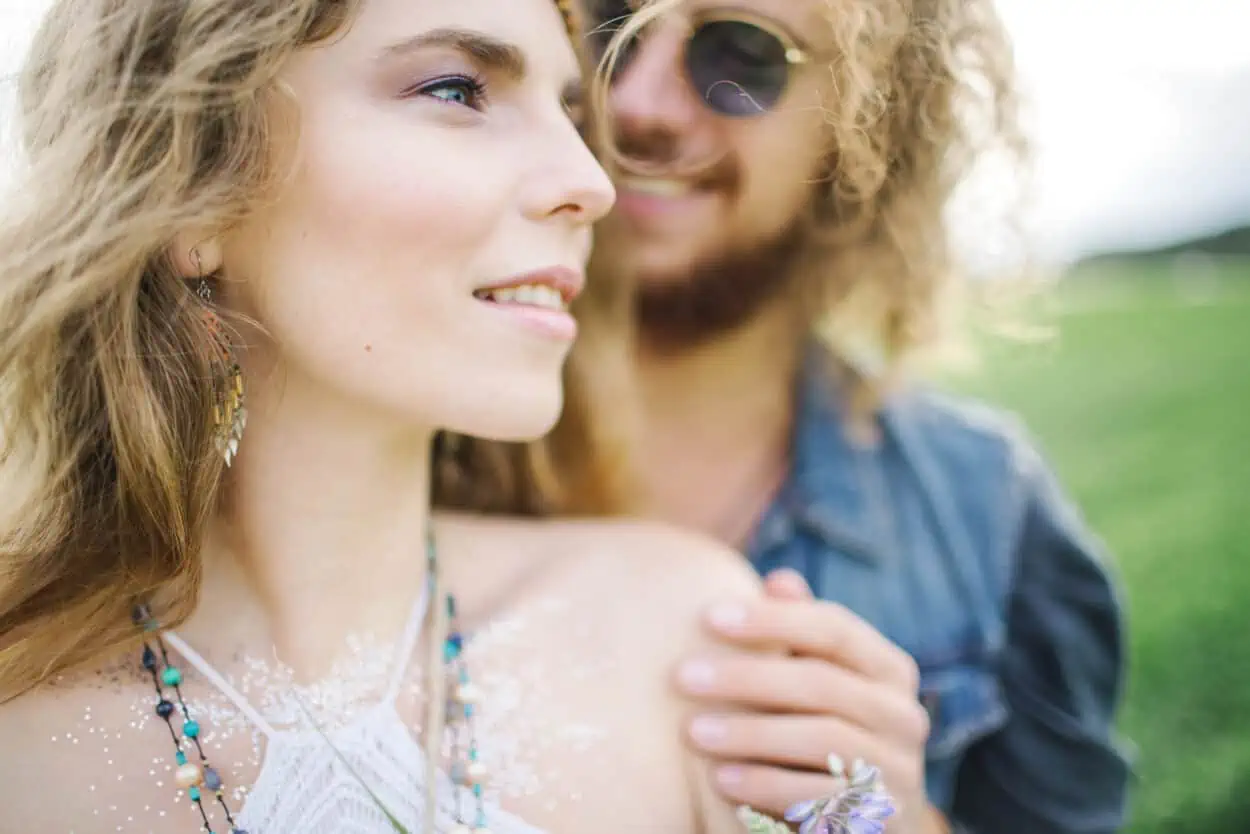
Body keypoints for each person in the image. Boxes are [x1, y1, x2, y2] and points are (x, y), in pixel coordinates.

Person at [0, 1, 854, 832]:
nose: (592, 184)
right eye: (457, 91)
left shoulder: (681, 648)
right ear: (196, 197)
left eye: (568, 112)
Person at [451, 1, 1136, 832]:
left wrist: (900, 818)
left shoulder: (988, 508)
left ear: (871, 124)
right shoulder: (408, 445)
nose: (634, 104)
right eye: (611, 25)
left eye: (741, 55)